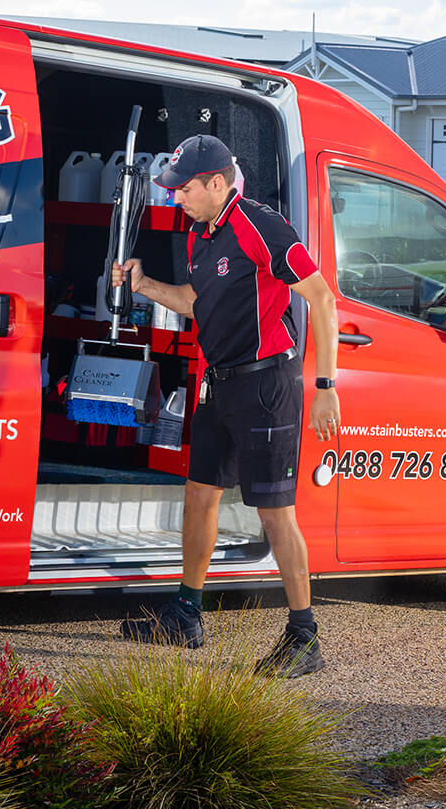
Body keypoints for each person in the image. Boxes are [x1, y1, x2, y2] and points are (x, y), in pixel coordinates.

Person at [112, 134, 340, 677]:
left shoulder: (260, 225)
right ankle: (185, 615)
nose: (177, 198)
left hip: (267, 387)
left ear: (217, 182)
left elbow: (322, 298)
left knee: (275, 513)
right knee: (199, 494)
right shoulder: (201, 232)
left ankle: (304, 636)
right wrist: (143, 285)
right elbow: (197, 301)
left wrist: (325, 387)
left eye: (184, 189)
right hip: (221, 384)